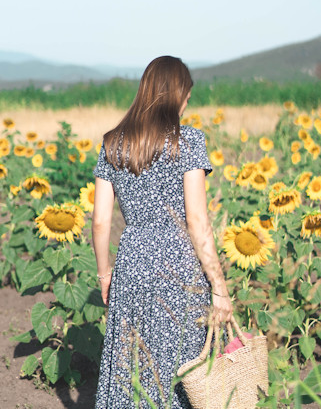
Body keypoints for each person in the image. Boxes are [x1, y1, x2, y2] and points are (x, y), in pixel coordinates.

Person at [92, 56, 233, 408]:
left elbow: (100, 221)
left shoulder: (112, 143)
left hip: (132, 260)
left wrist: (104, 273)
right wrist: (219, 287)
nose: (188, 104)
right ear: (176, 95)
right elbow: (198, 220)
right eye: (187, 95)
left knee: (131, 363)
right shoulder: (189, 141)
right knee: (183, 361)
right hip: (179, 262)